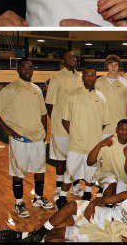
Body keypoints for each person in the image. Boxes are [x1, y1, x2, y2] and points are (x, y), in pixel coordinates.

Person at [0, 58, 54, 218]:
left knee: (40, 170)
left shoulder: (37, 89)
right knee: (18, 172)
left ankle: (38, 198)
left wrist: (44, 131)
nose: (28, 71)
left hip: (37, 137)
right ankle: (19, 202)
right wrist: (7, 129)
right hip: (20, 138)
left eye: (30, 68)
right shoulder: (9, 89)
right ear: (17, 69)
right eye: (24, 68)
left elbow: (43, 113)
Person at [0, 184, 127, 242]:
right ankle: (36, 235)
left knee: (55, 234)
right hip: (104, 217)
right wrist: (92, 203)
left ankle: (18, 236)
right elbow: (104, 201)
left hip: (112, 234)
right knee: (73, 205)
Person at [57, 67, 108, 208]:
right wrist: (74, 134)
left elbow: (104, 123)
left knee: (91, 173)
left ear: (96, 77)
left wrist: (93, 133)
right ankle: (62, 198)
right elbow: (65, 120)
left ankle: (86, 192)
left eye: (93, 75)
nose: (90, 77)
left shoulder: (102, 97)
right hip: (76, 145)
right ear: (82, 77)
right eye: (87, 75)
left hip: (93, 145)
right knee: (70, 173)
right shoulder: (72, 96)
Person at [45, 50, 82, 201]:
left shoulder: (80, 77)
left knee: (77, 157)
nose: (73, 59)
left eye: (74, 56)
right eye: (69, 57)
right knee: (61, 160)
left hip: (78, 125)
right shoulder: (57, 78)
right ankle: (58, 188)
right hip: (61, 127)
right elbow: (49, 104)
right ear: (63, 60)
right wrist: (55, 121)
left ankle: (77, 186)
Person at [88, 119, 127, 197]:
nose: (124, 132)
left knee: (120, 202)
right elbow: (89, 162)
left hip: (125, 181)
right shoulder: (109, 142)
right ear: (116, 130)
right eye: (121, 129)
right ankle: (105, 204)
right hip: (106, 176)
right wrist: (99, 145)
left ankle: (102, 196)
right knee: (112, 179)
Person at [95, 55, 127, 139]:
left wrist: (122, 118)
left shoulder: (125, 82)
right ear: (107, 66)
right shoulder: (98, 82)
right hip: (103, 127)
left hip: (119, 127)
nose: (113, 67)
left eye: (115, 64)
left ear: (119, 67)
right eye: (111, 64)